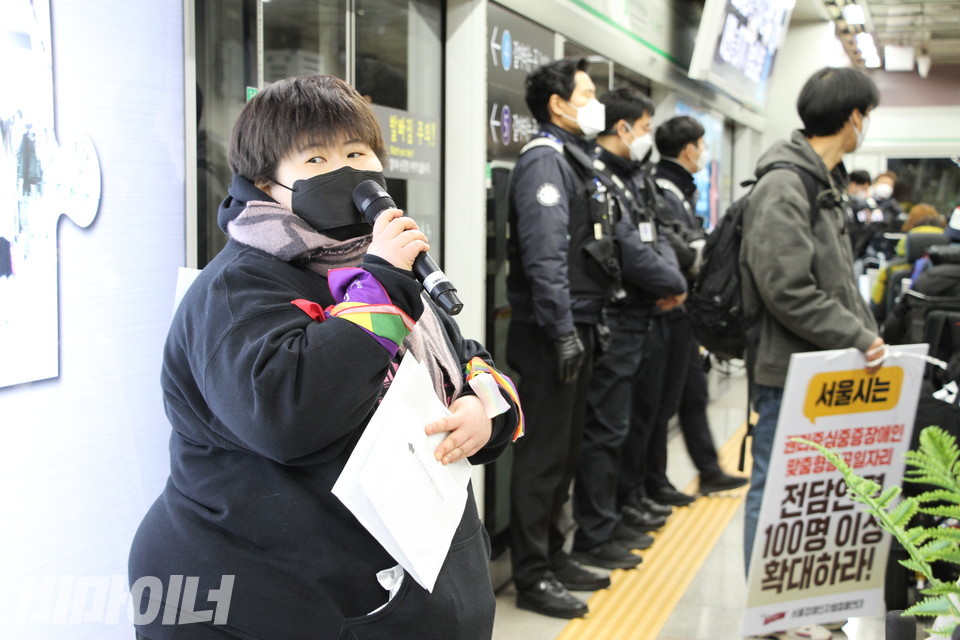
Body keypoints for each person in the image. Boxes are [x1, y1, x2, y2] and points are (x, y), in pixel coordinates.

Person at [128, 75, 522, 640]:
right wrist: (382, 288)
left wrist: (484, 411)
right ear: (265, 183)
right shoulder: (237, 287)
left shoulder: (376, 262)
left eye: (357, 153)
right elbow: (286, 414)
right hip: (255, 598)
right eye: (315, 158)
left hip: (393, 578)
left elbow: (464, 358)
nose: (344, 171)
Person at [739, 66, 884, 639]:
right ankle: (771, 617)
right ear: (852, 117)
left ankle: (805, 607)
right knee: (777, 486)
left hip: (823, 365)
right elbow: (787, 287)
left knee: (817, 490)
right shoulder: (785, 183)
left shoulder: (822, 181)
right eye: (866, 115)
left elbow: (834, 281)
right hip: (789, 371)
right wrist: (859, 335)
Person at [506, 58, 618, 619]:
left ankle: (554, 554)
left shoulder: (574, 159)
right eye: (588, 93)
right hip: (551, 333)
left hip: (575, 326)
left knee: (567, 452)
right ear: (557, 103)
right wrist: (562, 332)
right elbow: (545, 259)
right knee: (543, 458)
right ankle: (532, 575)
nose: (597, 103)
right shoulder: (544, 161)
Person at [570, 88, 687, 571]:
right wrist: (674, 282)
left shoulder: (634, 177)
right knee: (607, 429)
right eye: (643, 128)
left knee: (633, 423)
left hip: (644, 315)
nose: (646, 137)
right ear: (622, 128)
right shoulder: (598, 176)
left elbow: (656, 237)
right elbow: (627, 248)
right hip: (616, 319)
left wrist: (673, 279)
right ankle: (596, 531)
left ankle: (622, 509)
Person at [624, 115, 747, 511]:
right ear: (689, 148)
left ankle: (694, 473)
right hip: (666, 310)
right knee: (657, 405)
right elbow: (674, 247)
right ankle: (647, 487)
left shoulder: (674, 187)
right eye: (702, 145)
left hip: (682, 307)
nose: (704, 153)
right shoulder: (662, 188)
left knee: (689, 394)